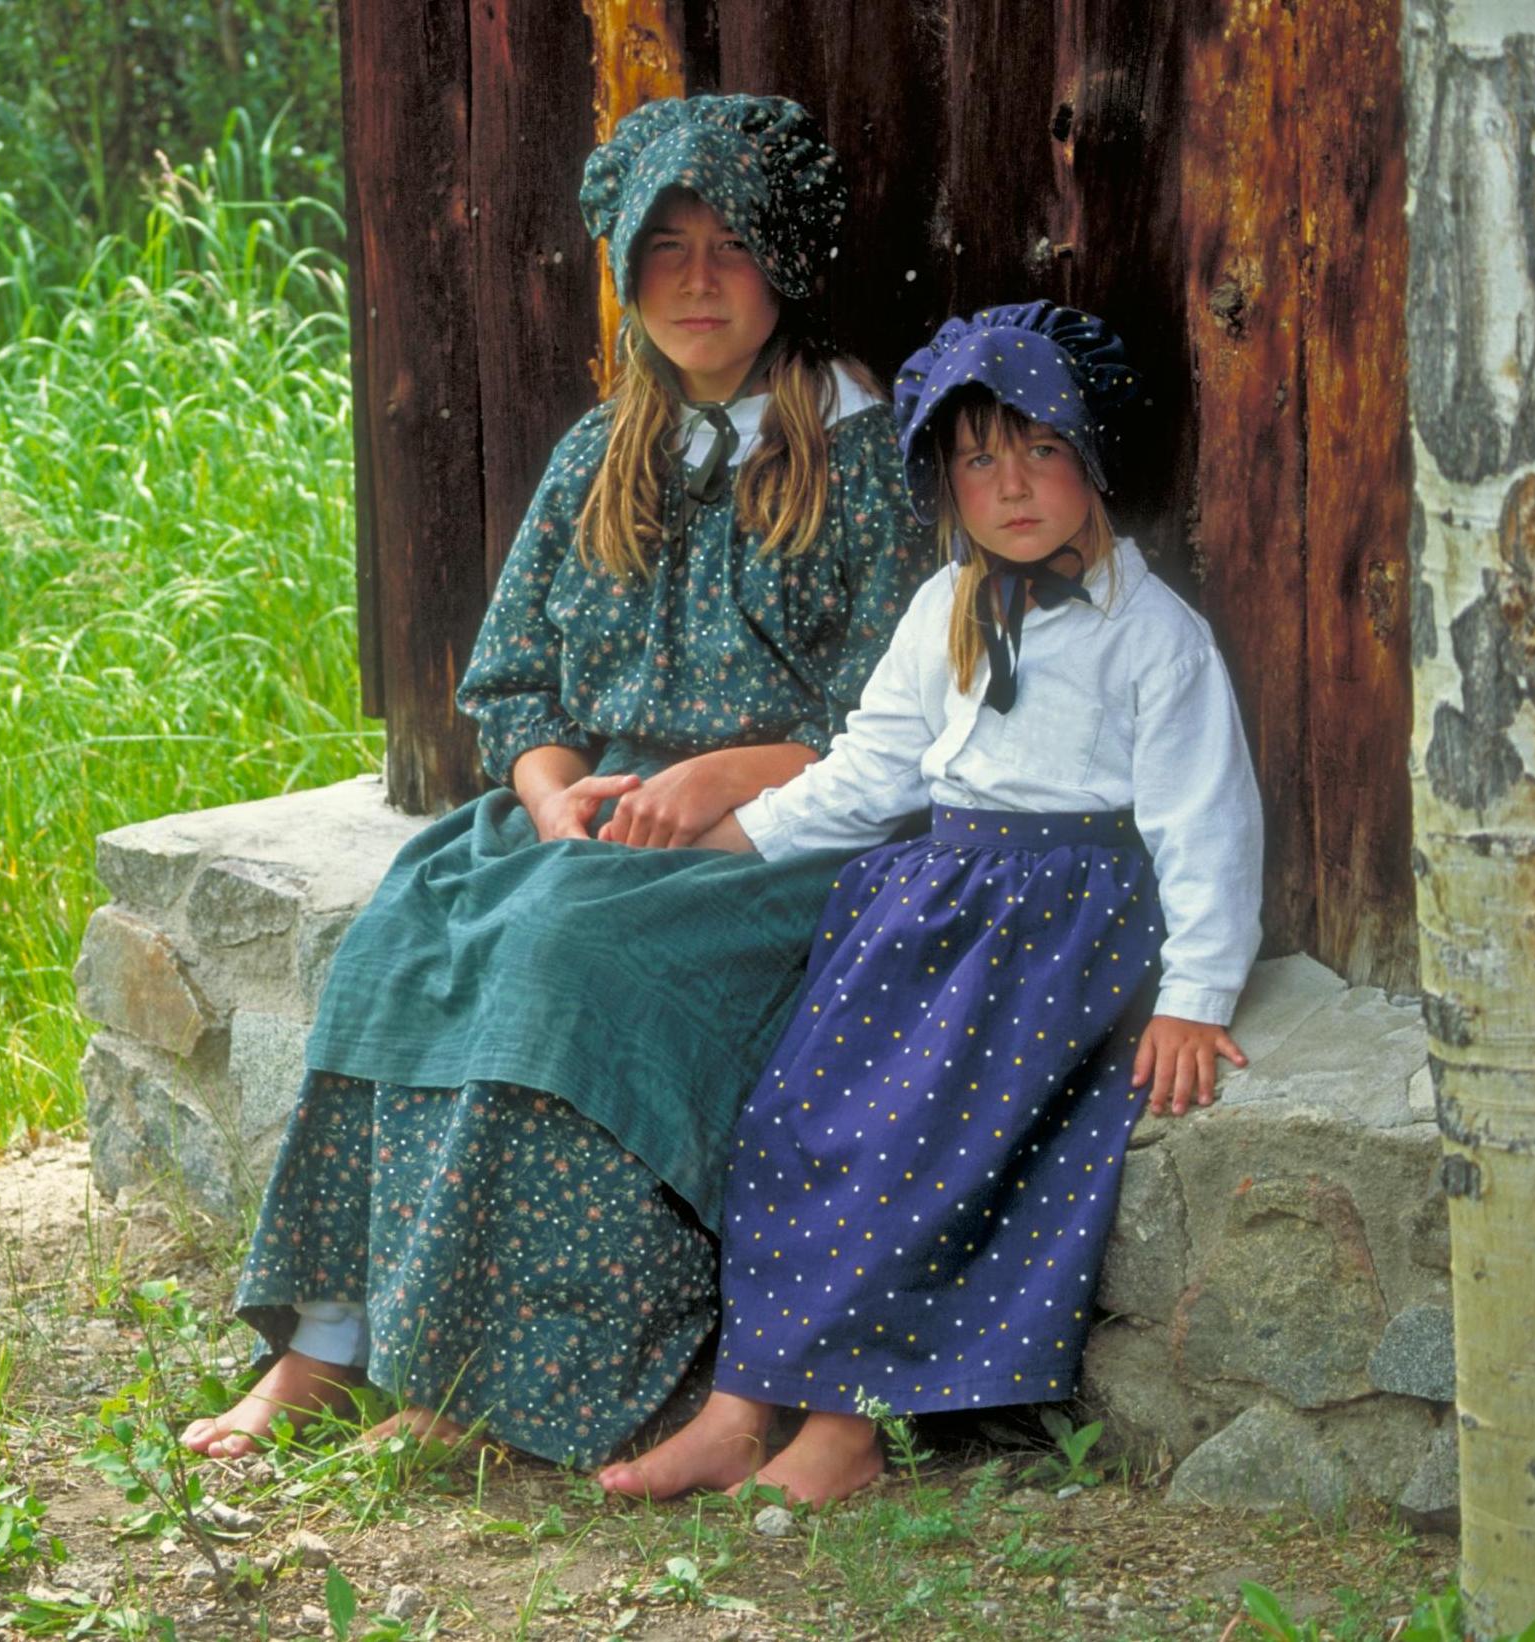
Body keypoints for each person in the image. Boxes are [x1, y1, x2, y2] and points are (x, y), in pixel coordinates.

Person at [175, 94, 935, 1468]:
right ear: (624, 271)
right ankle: (327, 1345)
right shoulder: (601, 451)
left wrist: (717, 777)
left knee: (551, 960)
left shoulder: (858, 457)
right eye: (663, 250)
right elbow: (514, 681)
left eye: (728, 245)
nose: (695, 281)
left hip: (775, 835)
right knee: (398, 939)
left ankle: (474, 1381)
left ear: (787, 261)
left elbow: (889, 715)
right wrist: (547, 796)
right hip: (594, 821)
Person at [597, 301, 1265, 1504]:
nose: (1011, 485)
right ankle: (745, 1404)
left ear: (1091, 457)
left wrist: (1196, 993)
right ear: (942, 482)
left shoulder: (1153, 639)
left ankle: (850, 1431)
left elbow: (1205, 824)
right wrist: (735, 838)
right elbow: (867, 774)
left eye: (1039, 449)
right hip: (928, 908)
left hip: (1059, 928)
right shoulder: (940, 610)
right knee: (800, 1118)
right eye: (977, 459)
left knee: (922, 1141)